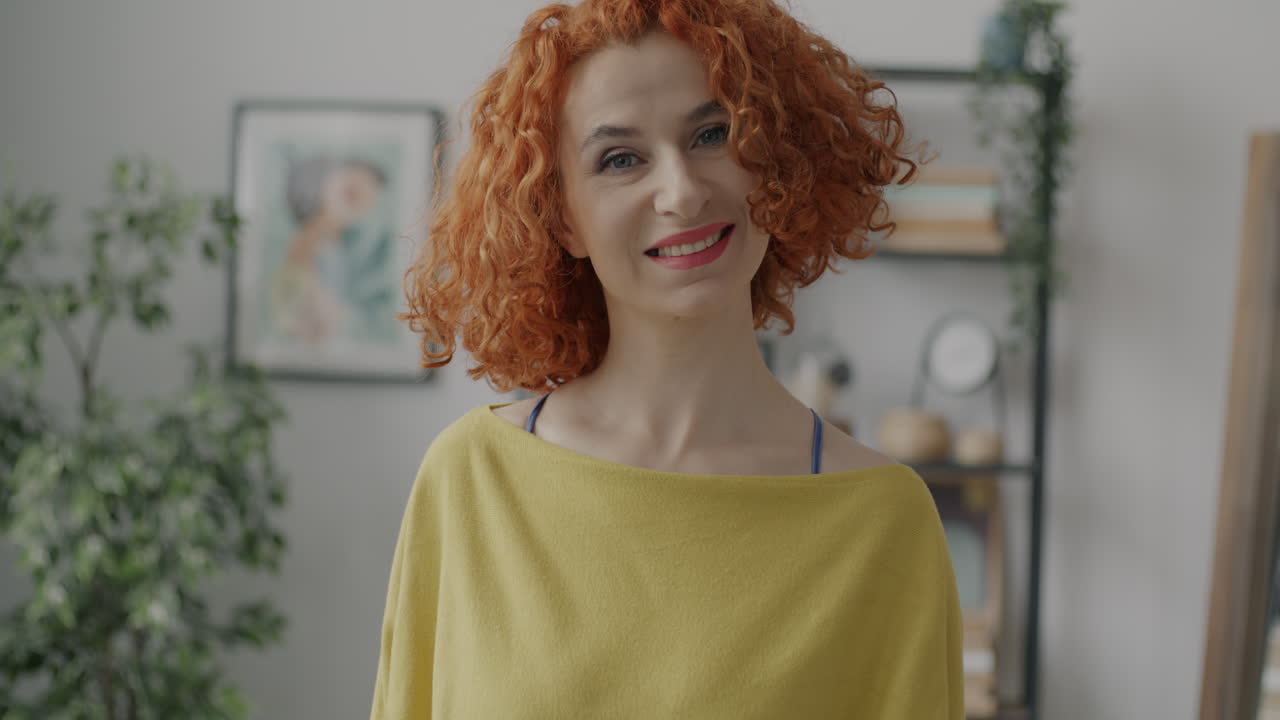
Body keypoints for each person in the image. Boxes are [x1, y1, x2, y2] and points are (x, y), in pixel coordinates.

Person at [370, 0, 963, 717]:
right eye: (620, 159)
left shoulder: (881, 522)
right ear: (562, 217)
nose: (681, 191)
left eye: (712, 134)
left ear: (772, 159)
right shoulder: (471, 480)